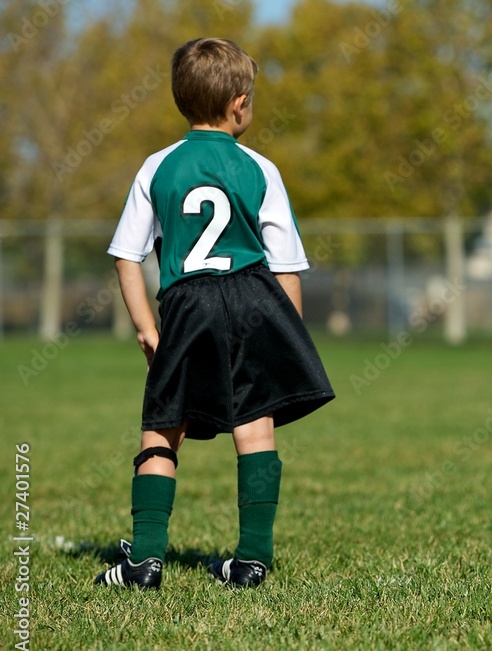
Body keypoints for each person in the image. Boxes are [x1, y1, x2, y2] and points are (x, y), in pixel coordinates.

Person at [95, 37, 334, 590]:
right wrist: (285, 337)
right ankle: (252, 560)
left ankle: (144, 562)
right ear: (240, 104)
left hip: (187, 301)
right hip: (253, 299)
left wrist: (147, 328)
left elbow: (126, 258)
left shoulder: (157, 167)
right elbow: (287, 267)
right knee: (255, 426)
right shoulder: (260, 169)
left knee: (163, 427)